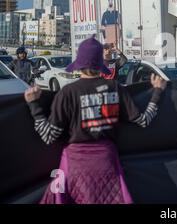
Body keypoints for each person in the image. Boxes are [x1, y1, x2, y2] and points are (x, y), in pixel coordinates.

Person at [23, 36, 167, 204]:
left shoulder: (68, 92)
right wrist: (157, 92)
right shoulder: (115, 88)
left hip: (75, 167)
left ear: (79, 63)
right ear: (100, 63)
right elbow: (143, 121)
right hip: (107, 164)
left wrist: (33, 105)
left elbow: (48, 136)